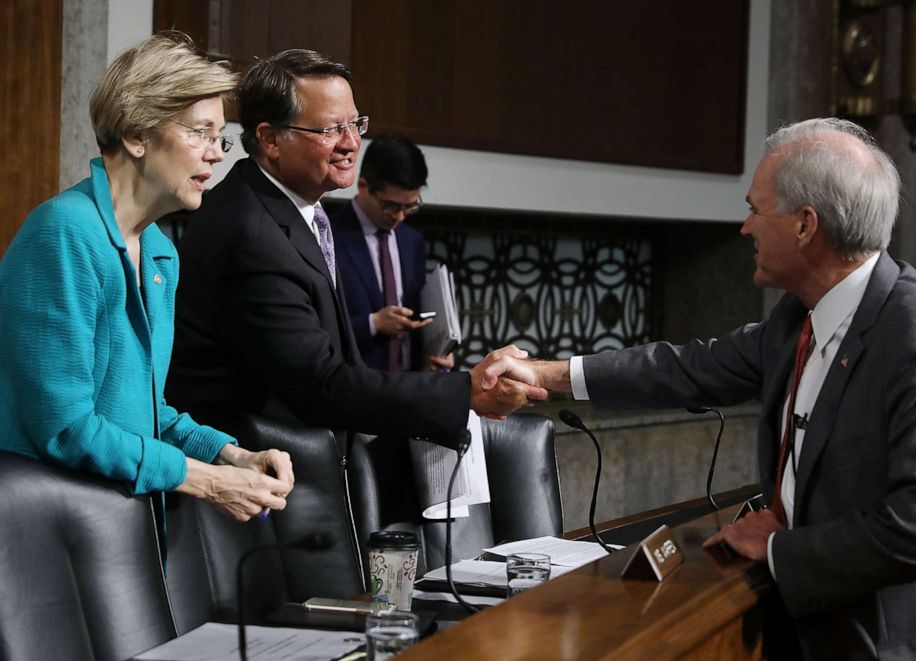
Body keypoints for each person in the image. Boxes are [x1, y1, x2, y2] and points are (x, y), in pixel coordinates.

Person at [480, 118, 916, 658]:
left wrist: (780, 548)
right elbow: (686, 368)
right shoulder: (799, 318)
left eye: (755, 208)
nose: (745, 227)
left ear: (804, 225)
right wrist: (547, 375)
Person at [166, 49, 544, 445]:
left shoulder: (288, 207)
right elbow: (320, 386)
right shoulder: (250, 233)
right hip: (253, 475)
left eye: (355, 124)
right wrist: (466, 391)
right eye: (330, 130)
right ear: (271, 139)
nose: (351, 144)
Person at [0, 33, 293, 523]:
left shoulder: (159, 252)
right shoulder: (65, 232)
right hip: (46, 534)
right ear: (136, 135)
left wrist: (230, 455)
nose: (217, 153)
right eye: (199, 131)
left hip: (115, 521)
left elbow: (143, 410)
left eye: (218, 136)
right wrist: (208, 481)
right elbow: (66, 427)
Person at [329, 132, 453, 373]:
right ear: (363, 186)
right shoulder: (329, 235)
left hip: (408, 388)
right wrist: (373, 324)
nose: (399, 216)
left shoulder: (411, 240)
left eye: (410, 206)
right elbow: (318, 326)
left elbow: (414, 317)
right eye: (391, 206)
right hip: (354, 387)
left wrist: (432, 356)